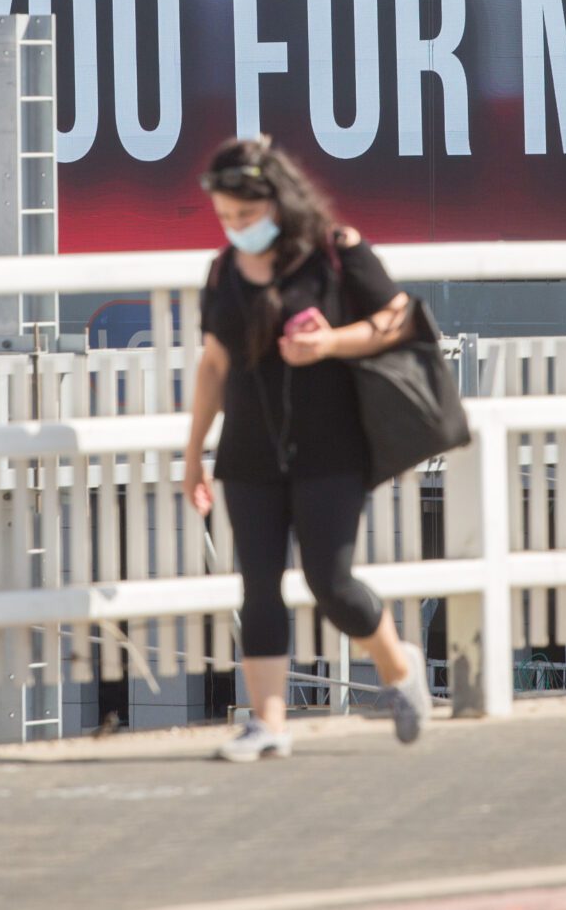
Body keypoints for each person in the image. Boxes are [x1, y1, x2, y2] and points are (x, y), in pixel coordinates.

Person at [181, 134, 432, 762]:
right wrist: (193, 455)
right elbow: (214, 365)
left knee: (331, 581)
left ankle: (400, 667)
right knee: (258, 586)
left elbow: (400, 319)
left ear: (279, 201)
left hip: (330, 449)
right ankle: (268, 724)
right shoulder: (222, 271)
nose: (236, 228)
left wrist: (331, 344)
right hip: (248, 453)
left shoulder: (336, 254)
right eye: (227, 217)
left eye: (246, 215)